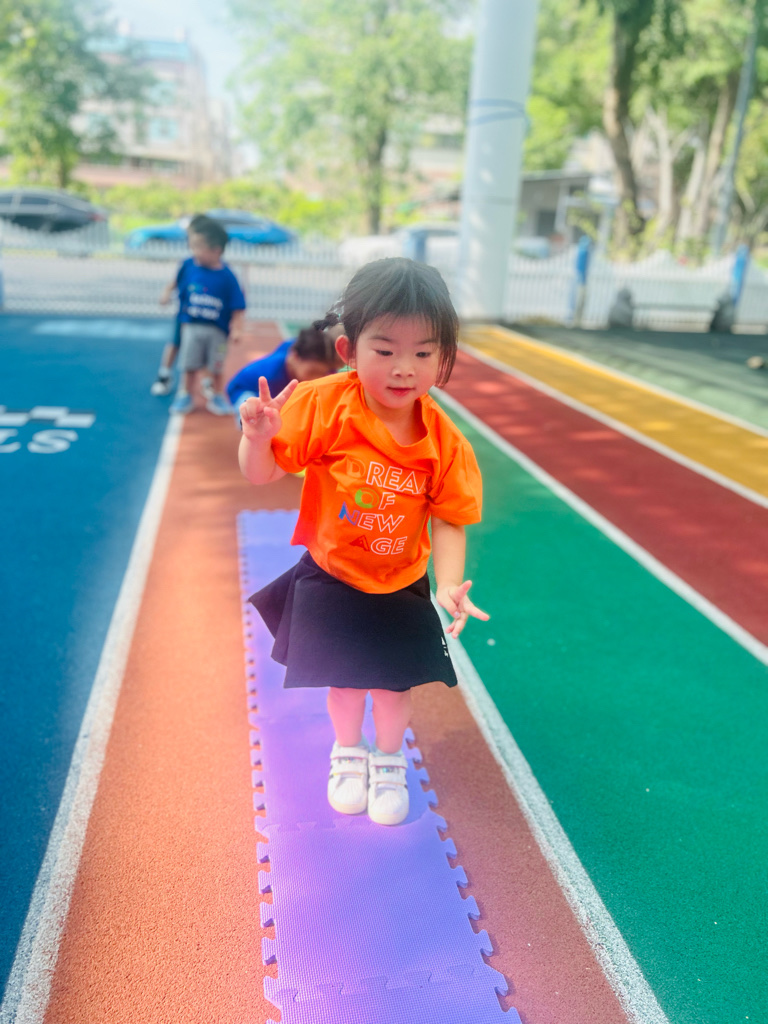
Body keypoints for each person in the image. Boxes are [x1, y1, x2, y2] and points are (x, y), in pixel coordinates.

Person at [238, 257, 489, 826]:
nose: (404, 368)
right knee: (347, 684)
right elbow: (261, 474)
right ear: (349, 350)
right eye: (385, 350)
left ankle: (389, 758)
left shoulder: (444, 441)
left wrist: (448, 584)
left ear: (443, 358)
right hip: (334, 574)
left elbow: (451, 518)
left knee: (394, 687)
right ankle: (348, 752)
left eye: (423, 353)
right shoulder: (324, 405)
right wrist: (257, 438)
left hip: (400, 581)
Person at [169, 216, 246, 415]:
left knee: (217, 366)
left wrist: (237, 328)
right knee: (189, 364)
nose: (193, 251)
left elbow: (238, 305)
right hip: (192, 327)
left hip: (217, 331)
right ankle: (185, 394)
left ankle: (217, 395)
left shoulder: (227, 276)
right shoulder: (190, 267)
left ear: (216, 250)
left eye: (199, 247)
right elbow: (179, 288)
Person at [226, 321, 344, 425]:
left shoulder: (318, 360)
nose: (317, 378)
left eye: (322, 373)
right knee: (261, 418)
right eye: (312, 372)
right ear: (296, 358)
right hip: (244, 390)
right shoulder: (272, 374)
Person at [150, 213, 208, 397]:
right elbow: (174, 283)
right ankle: (164, 375)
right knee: (174, 345)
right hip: (184, 315)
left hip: (203, 320)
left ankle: (205, 384)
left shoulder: (212, 265)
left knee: (202, 352)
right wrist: (166, 293)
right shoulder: (187, 264)